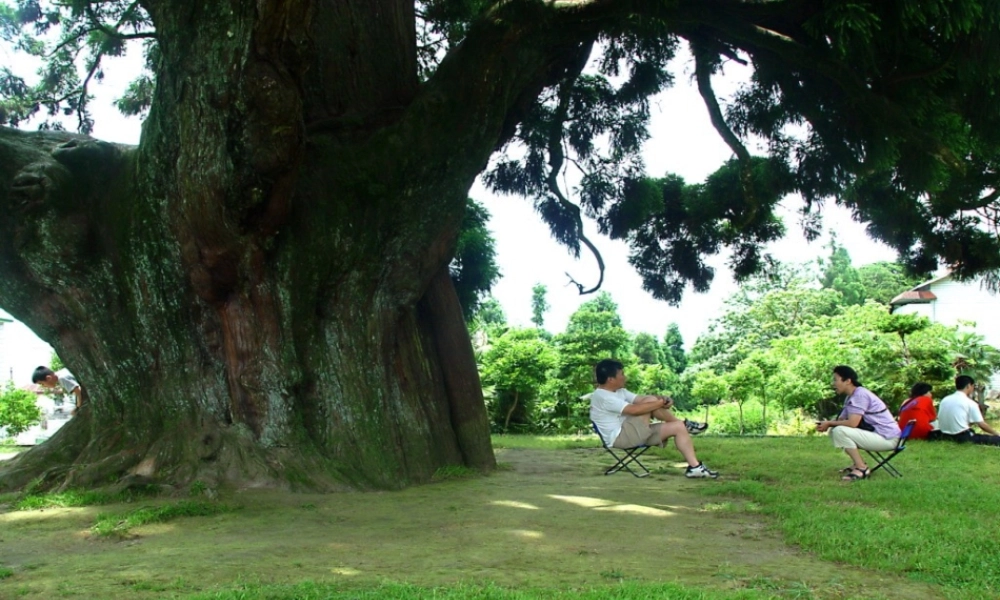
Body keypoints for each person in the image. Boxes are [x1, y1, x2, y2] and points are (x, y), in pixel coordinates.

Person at [589, 359, 718, 478]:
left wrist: (662, 399)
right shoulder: (602, 396)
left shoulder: (620, 391)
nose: (625, 377)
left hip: (635, 431)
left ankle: (695, 467)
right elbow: (635, 410)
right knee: (651, 402)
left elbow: (641, 399)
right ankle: (686, 424)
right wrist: (658, 402)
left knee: (678, 427)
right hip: (620, 438)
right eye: (622, 374)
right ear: (611, 379)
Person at [816, 366, 901, 481]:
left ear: (848, 381)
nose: (833, 384)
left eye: (836, 380)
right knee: (836, 430)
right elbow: (841, 420)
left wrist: (830, 423)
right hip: (881, 435)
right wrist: (827, 424)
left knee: (839, 431)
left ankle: (862, 468)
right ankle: (857, 464)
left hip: (888, 438)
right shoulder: (851, 396)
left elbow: (852, 423)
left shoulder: (860, 395)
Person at [931, 375, 1000, 446]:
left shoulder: (945, 400)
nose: (973, 388)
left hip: (944, 435)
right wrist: (997, 434)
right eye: (973, 386)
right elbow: (982, 425)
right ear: (968, 386)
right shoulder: (970, 403)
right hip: (962, 437)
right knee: (993, 439)